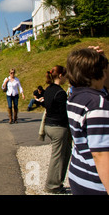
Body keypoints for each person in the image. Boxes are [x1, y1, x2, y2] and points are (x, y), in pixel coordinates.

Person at [66, 48, 109, 195]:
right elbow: (101, 154)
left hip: (79, 175)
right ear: (97, 72)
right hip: (96, 182)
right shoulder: (97, 104)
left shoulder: (75, 97)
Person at [43, 65, 72, 194]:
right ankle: (52, 185)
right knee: (57, 157)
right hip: (58, 127)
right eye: (65, 75)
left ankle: (57, 182)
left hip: (49, 124)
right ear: (60, 76)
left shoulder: (48, 90)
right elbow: (63, 114)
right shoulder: (60, 93)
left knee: (64, 153)